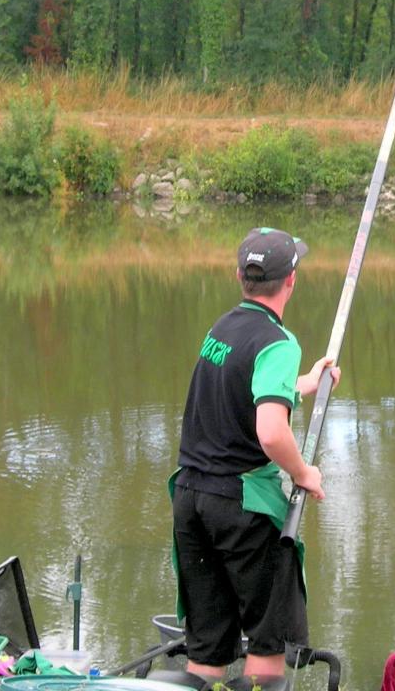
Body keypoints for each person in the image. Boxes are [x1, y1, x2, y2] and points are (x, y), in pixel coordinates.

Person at [171, 228, 340, 690]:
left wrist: (302, 384)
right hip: (240, 509)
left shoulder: (221, 328)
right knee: (266, 647)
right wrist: (303, 473)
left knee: (206, 646)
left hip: (191, 501)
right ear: (292, 281)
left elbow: (239, 396)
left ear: (239, 277)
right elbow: (269, 431)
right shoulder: (278, 342)